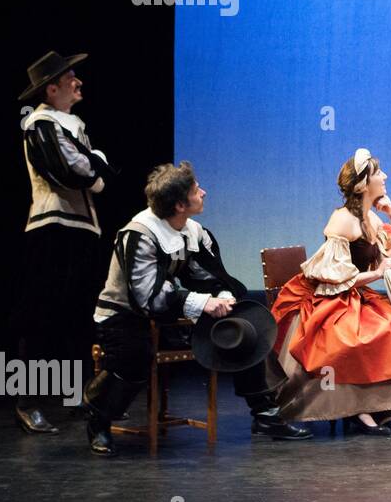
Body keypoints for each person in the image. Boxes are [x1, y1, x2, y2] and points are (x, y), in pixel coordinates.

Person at [84, 162, 311, 456]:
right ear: (180, 204)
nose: (203, 192)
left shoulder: (192, 231)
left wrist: (224, 297)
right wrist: (203, 303)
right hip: (124, 316)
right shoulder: (139, 234)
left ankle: (264, 414)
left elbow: (209, 276)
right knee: (134, 356)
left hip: (168, 316)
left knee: (244, 321)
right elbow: (147, 297)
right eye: (196, 190)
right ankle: (99, 417)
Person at [271, 148, 391, 434]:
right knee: (356, 335)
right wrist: (378, 273)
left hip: (351, 293)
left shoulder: (371, 219)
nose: (385, 177)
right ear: (363, 184)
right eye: (378, 173)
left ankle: (376, 405)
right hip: (327, 296)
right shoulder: (342, 220)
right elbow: (334, 277)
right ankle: (357, 410)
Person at [11, 51, 113, 434]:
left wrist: (94, 166)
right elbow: (75, 170)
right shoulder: (39, 123)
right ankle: (26, 402)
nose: (79, 82)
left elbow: (93, 175)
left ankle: (79, 398)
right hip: (52, 229)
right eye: (71, 77)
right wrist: (96, 163)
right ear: (51, 88)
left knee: (79, 316)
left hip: (82, 229)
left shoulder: (71, 124)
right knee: (37, 315)